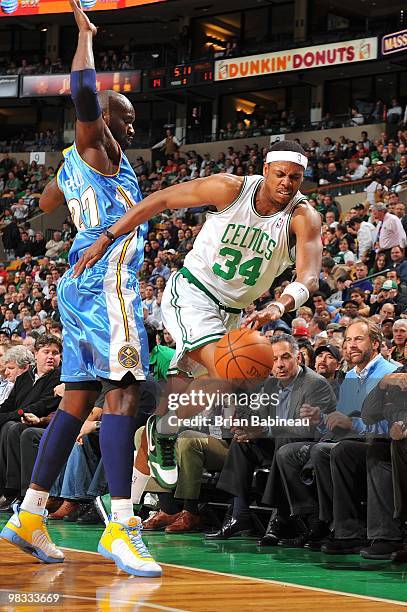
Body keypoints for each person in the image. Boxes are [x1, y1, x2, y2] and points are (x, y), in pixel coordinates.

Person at [0, 0, 161, 579]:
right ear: (104, 124)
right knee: (123, 394)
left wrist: (72, 185)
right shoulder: (102, 147)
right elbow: (85, 97)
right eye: (127, 116)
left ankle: (30, 513)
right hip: (106, 284)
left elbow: (47, 204)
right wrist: (85, 36)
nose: (133, 125)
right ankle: (121, 523)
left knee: (77, 399)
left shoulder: (75, 164)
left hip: (77, 286)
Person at [72, 139, 323, 494]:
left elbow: (309, 276)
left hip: (234, 314)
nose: (287, 183)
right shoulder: (229, 188)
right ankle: (164, 430)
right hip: (193, 292)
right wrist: (108, 236)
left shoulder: (303, 216)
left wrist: (279, 304)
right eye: (280, 174)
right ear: (265, 170)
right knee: (228, 369)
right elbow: (159, 200)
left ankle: (127, 498)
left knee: (218, 383)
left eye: (295, 177)